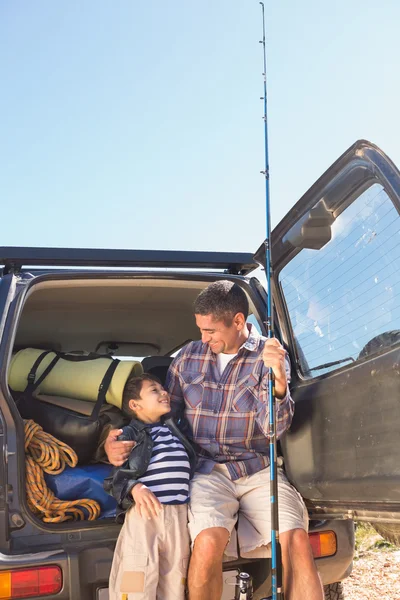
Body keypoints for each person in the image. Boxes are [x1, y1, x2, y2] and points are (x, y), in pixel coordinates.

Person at [105, 281, 323, 600]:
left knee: (297, 541)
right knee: (206, 544)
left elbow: (273, 428)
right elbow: (159, 417)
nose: (203, 339)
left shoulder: (270, 357)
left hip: (258, 472)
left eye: (210, 331)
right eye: (201, 330)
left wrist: (278, 386)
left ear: (238, 321)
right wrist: (114, 443)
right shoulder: (188, 359)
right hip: (207, 472)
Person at [104, 373, 197, 600]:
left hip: (178, 515)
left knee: (175, 581)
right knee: (137, 581)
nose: (164, 393)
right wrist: (135, 488)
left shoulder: (176, 429)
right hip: (145, 516)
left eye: (163, 389)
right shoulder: (130, 434)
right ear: (135, 405)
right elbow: (114, 479)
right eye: (154, 390)